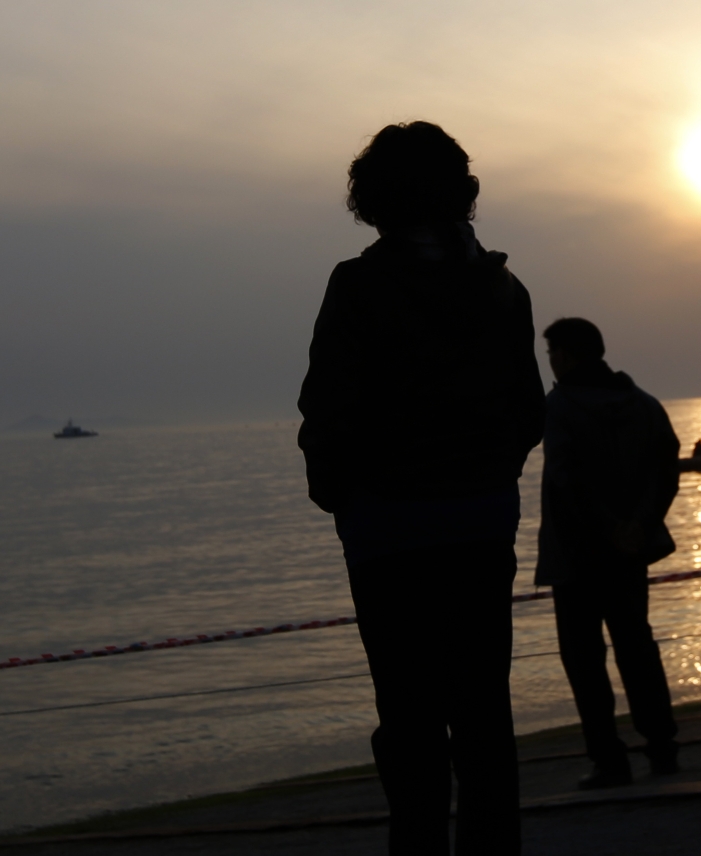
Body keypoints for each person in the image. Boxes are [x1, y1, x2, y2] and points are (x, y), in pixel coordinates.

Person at [297, 121, 546, 856]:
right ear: (463, 194)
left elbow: (328, 409)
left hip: (389, 533)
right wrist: (485, 477)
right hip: (479, 523)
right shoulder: (505, 289)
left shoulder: (360, 285)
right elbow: (529, 412)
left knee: (408, 716)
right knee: (481, 712)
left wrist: (342, 492)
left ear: (371, 202)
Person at [535, 317, 681, 789]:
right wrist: (637, 525)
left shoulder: (559, 406)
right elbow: (666, 471)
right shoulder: (644, 405)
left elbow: (566, 478)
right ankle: (662, 749)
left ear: (568, 355)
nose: (551, 363)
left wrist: (607, 528)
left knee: (584, 661)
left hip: (577, 557)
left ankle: (609, 760)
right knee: (637, 648)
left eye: (553, 353)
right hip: (629, 554)